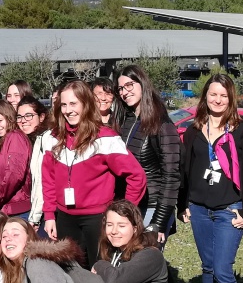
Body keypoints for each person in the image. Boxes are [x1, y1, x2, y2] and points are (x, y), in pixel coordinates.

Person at [180, 73, 243, 283]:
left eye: (223, 95)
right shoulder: (192, 131)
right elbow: (185, 171)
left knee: (223, 270)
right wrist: (183, 204)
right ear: (205, 97)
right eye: (213, 94)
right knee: (208, 267)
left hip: (229, 209)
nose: (218, 100)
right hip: (199, 209)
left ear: (231, 99)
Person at [41, 81, 146, 266]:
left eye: (74, 104)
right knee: (71, 274)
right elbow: (48, 179)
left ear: (85, 104)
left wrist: (124, 214)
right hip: (64, 218)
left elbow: (137, 176)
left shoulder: (106, 138)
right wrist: (49, 215)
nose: (68, 110)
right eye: (63, 105)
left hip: (97, 219)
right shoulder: (52, 138)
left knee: (100, 274)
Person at [117, 65, 182, 247]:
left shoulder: (162, 124)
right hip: (131, 205)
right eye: (121, 88)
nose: (124, 92)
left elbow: (171, 176)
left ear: (142, 84)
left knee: (145, 264)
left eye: (129, 85)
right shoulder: (127, 122)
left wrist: (159, 221)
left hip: (153, 206)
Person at [0, 101, 32, 218]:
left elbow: (14, 175)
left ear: (9, 117)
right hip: (5, 209)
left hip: (18, 210)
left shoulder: (15, 136)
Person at [17, 99, 50, 229]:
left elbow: (42, 181)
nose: (23, 120)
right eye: (19, 117)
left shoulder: (47, 139)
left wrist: (35, 217)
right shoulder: (30, 139)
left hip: (46, 214)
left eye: (29, 115)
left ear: (41, 117)